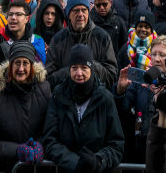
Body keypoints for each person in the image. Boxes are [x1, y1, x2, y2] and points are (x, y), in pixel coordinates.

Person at [115, 35, 166, 163]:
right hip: (145, 153)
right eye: (154, 54)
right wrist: (120, 90)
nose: (157, 59)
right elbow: (122, 112)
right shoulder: (142, 82)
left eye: (163, 55)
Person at [43, 44, 124, 172]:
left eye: (84, 68)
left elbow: (116, 145)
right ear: (69, 70)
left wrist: (98, 161)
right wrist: (74, 163)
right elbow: (50, 141)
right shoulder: (58, 95)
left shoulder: (105, 98)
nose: (79, 73)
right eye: (74, 68)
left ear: (91, 69)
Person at [0, 41, 52, 172]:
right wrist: (17, 150)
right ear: (10, 66)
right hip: (6, 167)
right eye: (17, 63)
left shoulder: (44, 90)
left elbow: (52, 131)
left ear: (32, 66)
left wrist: (41, 145)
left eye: (25, 63)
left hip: (37, 167)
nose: (20, 69)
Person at [45, 0, 118, 88]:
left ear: (88, 12)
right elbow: (49, 78)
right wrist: (72, 70)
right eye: (76, 10)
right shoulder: (58, 39)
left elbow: (112, 76)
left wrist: (89, 64)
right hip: (66, 99)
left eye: (84, 10)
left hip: (95, 99)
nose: (80, 14)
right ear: (69, 14)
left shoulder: (102, 37)